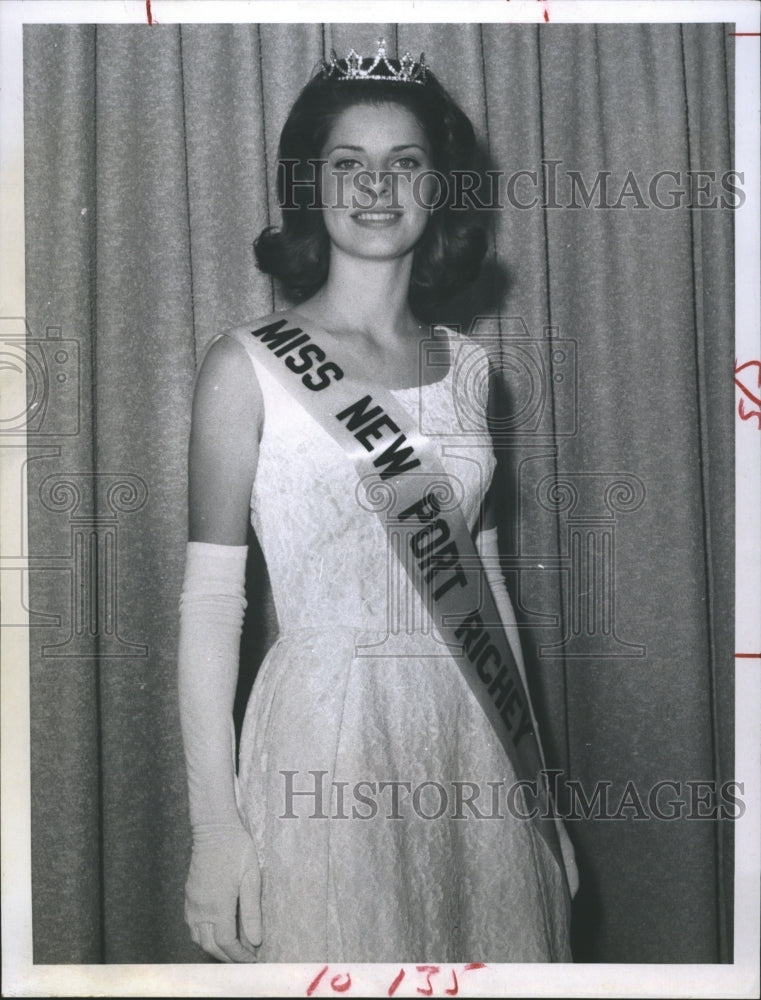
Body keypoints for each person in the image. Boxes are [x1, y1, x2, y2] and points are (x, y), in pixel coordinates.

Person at [177, 41, 578, 965]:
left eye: (405, 165)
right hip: (328, 736)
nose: (374, 188)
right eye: (347, 165)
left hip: (471, 736)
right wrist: (215, 829)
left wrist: (539, 799)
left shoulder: (473, 372)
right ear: (309, 186)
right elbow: (210, 609)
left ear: (438, 190)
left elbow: (486, 585)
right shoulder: (245, 366)